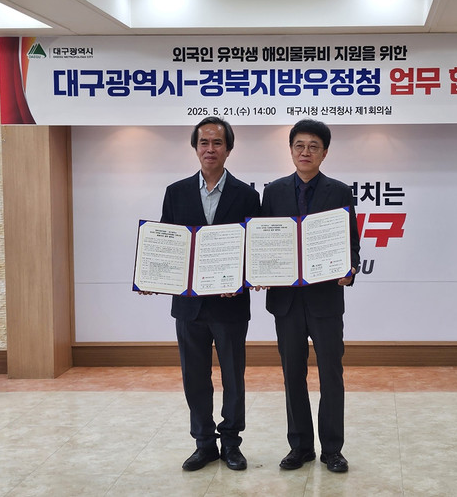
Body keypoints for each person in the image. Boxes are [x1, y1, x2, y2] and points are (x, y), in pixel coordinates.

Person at [150, 116, 260, 471]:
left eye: (217, 143)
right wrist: (154, 276)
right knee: (194, 377)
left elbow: (253, 250)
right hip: (189, 306)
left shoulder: (247, 195)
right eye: (204, 142)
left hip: (230, 304)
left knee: (233, 377)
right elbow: (168, 244)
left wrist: (241, 279)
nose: (210, 149)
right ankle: (204, 443)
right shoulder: (176, 192)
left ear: (228, 149)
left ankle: (231, 443)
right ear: (195, 147)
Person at [259, 119, 360, 473]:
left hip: (325, 299)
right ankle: (300, 446)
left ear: (325, 152)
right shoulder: (273, 192)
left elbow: (351, 243)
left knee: (331, 373)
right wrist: (259, 271)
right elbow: (264, 241)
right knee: (292, 374)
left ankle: (332, 449)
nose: (306, 152)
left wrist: (350, 269)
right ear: (290, 150)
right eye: (299, 145)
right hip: (286, 301)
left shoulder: (340, 192)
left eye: (313, 146)